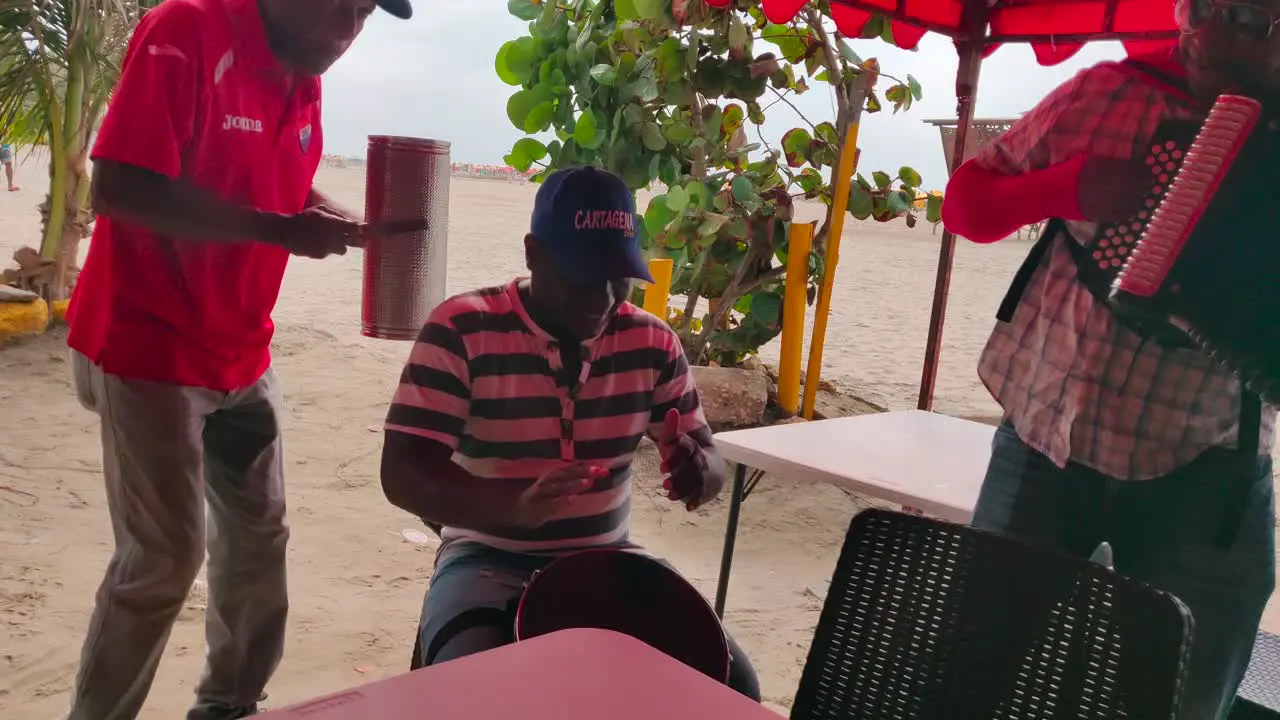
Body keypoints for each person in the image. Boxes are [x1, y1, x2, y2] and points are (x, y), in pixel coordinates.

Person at [61, 0, 412, 716]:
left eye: (364, 14)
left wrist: (334, 220)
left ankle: (228, 707)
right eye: (339, 5)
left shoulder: (303, 69)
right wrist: (278, 229)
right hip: (147, 343)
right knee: (162, 560)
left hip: (243, 350)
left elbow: (272, 183)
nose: (346, 30)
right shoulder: (186, 30)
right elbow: (119, 186)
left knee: (259, 538)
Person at [941, 1, 1277, 717]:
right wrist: (1065, 187)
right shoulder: (1108, 91)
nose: (1208, 33)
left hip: (1206, 461)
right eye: (1199, 8)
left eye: (1246, 17)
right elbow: (967, 204)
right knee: (969, 679)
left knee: (1184, 698)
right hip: (1043, 437)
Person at [379, 166, 762, 700]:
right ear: (534, 253)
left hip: (609, 556)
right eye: (583, 276)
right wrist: (514, 506)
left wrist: (699, 471)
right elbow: (402, 474)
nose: (602, 298)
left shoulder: (651, 342)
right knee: (476, 693)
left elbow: (712, 462)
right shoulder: (463, 330)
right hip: (487, 557)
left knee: (732, 687)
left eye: (618, 275)